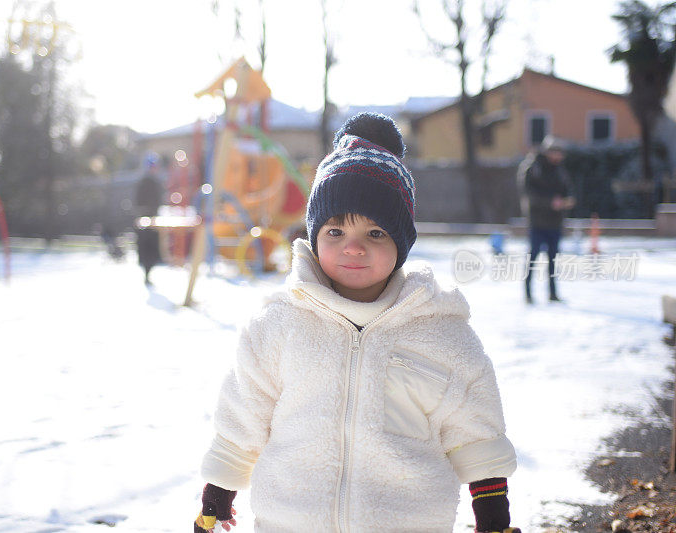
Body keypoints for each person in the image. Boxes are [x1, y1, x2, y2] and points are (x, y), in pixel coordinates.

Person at [193, 113, 519, 533]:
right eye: (334, 232)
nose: (353, 248)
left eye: (376, 234)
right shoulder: (279, 324)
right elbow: (243, 415)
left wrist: (493, 518)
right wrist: (216, 497)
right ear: (314, 236)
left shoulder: (441, 332)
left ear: (401, 243)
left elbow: (476, 431)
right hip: (291, 522)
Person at [518, 135, 576, 304]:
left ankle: (553, 293)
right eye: (556, 152)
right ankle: (528, 293)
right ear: (548, 152)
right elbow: (529, 195)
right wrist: (551, 202)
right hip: (537, 221)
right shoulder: (532, 167)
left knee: (553, 260)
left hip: (555, 222)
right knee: (533, 258)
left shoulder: (560, 171)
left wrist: (568, 200)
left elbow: (568, 190)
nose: (559, 157)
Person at [134, 155, 165, 285]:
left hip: (153, 219)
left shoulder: (155, 182)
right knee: (146, 248)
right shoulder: (144, 182)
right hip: (145, 220)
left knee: (152, 248)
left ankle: (149, 271)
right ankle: (147, 272)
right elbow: (139, 202)